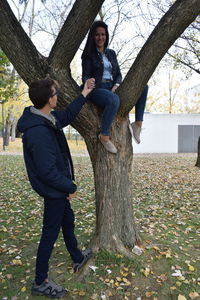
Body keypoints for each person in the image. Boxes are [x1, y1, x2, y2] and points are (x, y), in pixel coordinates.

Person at [17, 78, 94, 298]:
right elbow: (47, 172)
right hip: (54, 191)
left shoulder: (45, 117)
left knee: (68, 222)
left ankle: (77, 257)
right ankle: (40, 281)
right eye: (55, 93)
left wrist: (84, 93)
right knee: (50, 234)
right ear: (49, 99)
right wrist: (69, 186)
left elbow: (67, 115)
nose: (58, 95)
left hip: (58, 189)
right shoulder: (38, 132)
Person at [81, 20, 148, 151]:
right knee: (113, 99)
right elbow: (85, 75)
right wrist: (87, 81)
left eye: (103, 34)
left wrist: (117, 84)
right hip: (97, 89)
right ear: (92, 37)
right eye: (97, 35)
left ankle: (138, 123)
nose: (100, 37)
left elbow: (118, 74)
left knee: (143, 87)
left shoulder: (111, 53)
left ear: (106, 36)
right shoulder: (88, 55)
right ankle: (104, 136)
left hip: (112, 87)